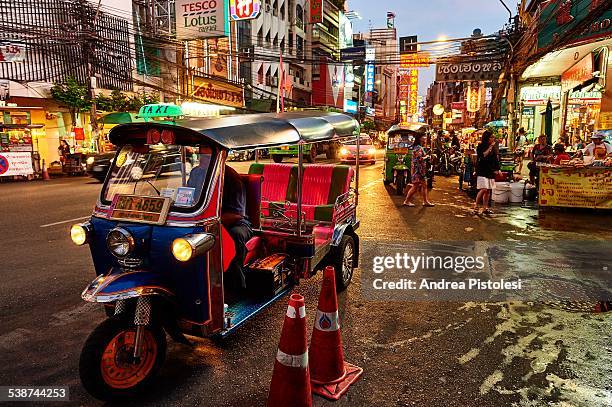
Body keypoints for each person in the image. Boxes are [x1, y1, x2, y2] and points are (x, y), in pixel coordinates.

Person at [222, 165, 253, 290]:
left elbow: (237, 214)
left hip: (237, 223)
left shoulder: (231, 177)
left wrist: (215, 221)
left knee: (235, 235)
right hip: (205, 221)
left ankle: (237, 285)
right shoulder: (196, 173)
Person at [403, 133, 434, 207]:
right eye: (423, 136)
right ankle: (406, 201)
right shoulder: (418, 148)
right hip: (418, 171)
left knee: (424, 185)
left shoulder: (419, 147)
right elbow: (419, 159)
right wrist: (427, 157)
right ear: (420, 138)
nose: (425, 138)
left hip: (420, 170)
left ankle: (425, 201)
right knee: (415, 186)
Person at [473, 130, 500, 215]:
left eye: (493, 137)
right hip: (482, 170)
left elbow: (495, 159)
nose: (493, 139)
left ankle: (485, 208)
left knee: (488, 190)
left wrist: (498, 169)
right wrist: (490, 147)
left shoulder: (494, 148)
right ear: (487, 138)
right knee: (483, 188)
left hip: (490, 170)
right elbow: (483, 155)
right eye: (491, 137)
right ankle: (476, 206)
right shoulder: (481, 146)